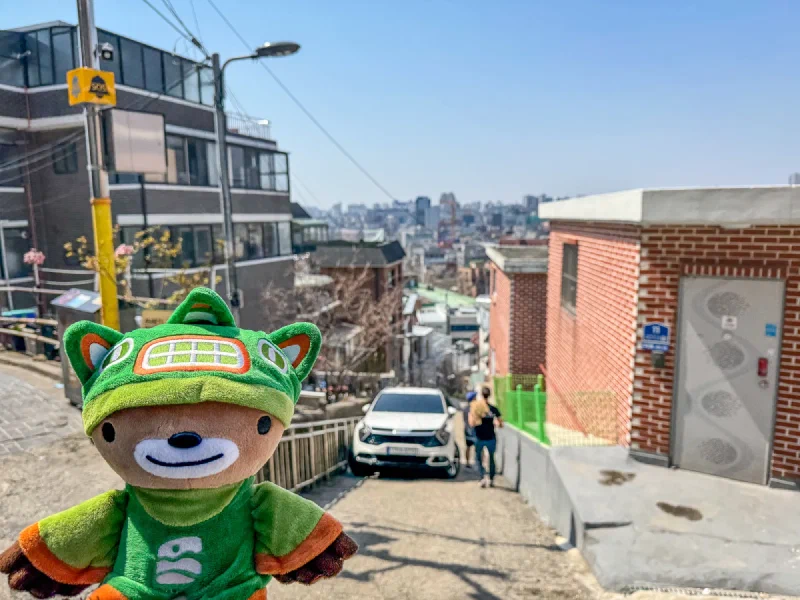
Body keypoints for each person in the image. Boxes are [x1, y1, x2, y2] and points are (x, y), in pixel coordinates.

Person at [468, 386, 503, 488]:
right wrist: (495, 422)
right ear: (489, 395)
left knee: (478, 458)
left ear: (481, 395)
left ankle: (482, 477)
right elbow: (501, 424)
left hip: (478, 436)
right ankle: (491, 479)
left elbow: (471, 423)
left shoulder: (475, 407)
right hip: (490, 437)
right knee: (491, 458)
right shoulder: (493, 409)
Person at [463, 391, 478, 468]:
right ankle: (478, 462)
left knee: (468, 447)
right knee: (478, 447)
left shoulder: (465, 409)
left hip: (467, 430)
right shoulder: (474, 408)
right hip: (474, 430)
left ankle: (467, 462)